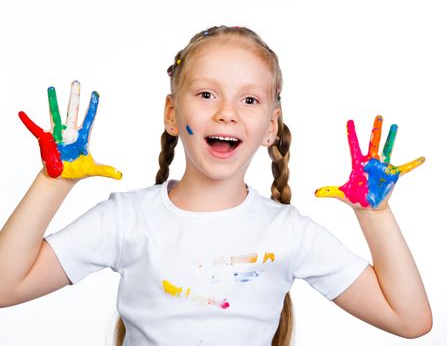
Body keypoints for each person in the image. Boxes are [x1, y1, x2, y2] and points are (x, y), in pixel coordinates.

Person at [0, 25, 432, 346]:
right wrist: (52, 182)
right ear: (172, 114)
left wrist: (375, 214)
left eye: (249, 100)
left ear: (270, 127)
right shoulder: (127, 219)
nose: (227, 113)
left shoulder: (287, 232)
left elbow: (410, 319)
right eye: (207, 94)